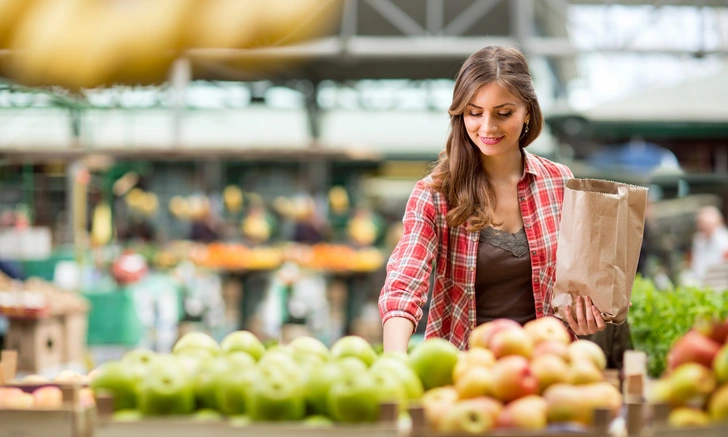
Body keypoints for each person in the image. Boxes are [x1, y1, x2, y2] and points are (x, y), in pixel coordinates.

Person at [378, 46, 606, 353]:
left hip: (547, 367)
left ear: (527, 110)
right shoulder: (435, 193)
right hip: (465, 371)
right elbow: (405, 280)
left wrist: (588, 314)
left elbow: (583, 283)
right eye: (475, 112)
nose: (487, 127)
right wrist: (395, 358)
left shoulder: (559, 183)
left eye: (503, 113)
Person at [691, 205, 728, 283]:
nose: (702, 227)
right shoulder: (698, 240)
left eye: (705, 225)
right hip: (702, 282)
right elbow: (696, 265)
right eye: (700, 224)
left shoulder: (724, 239)